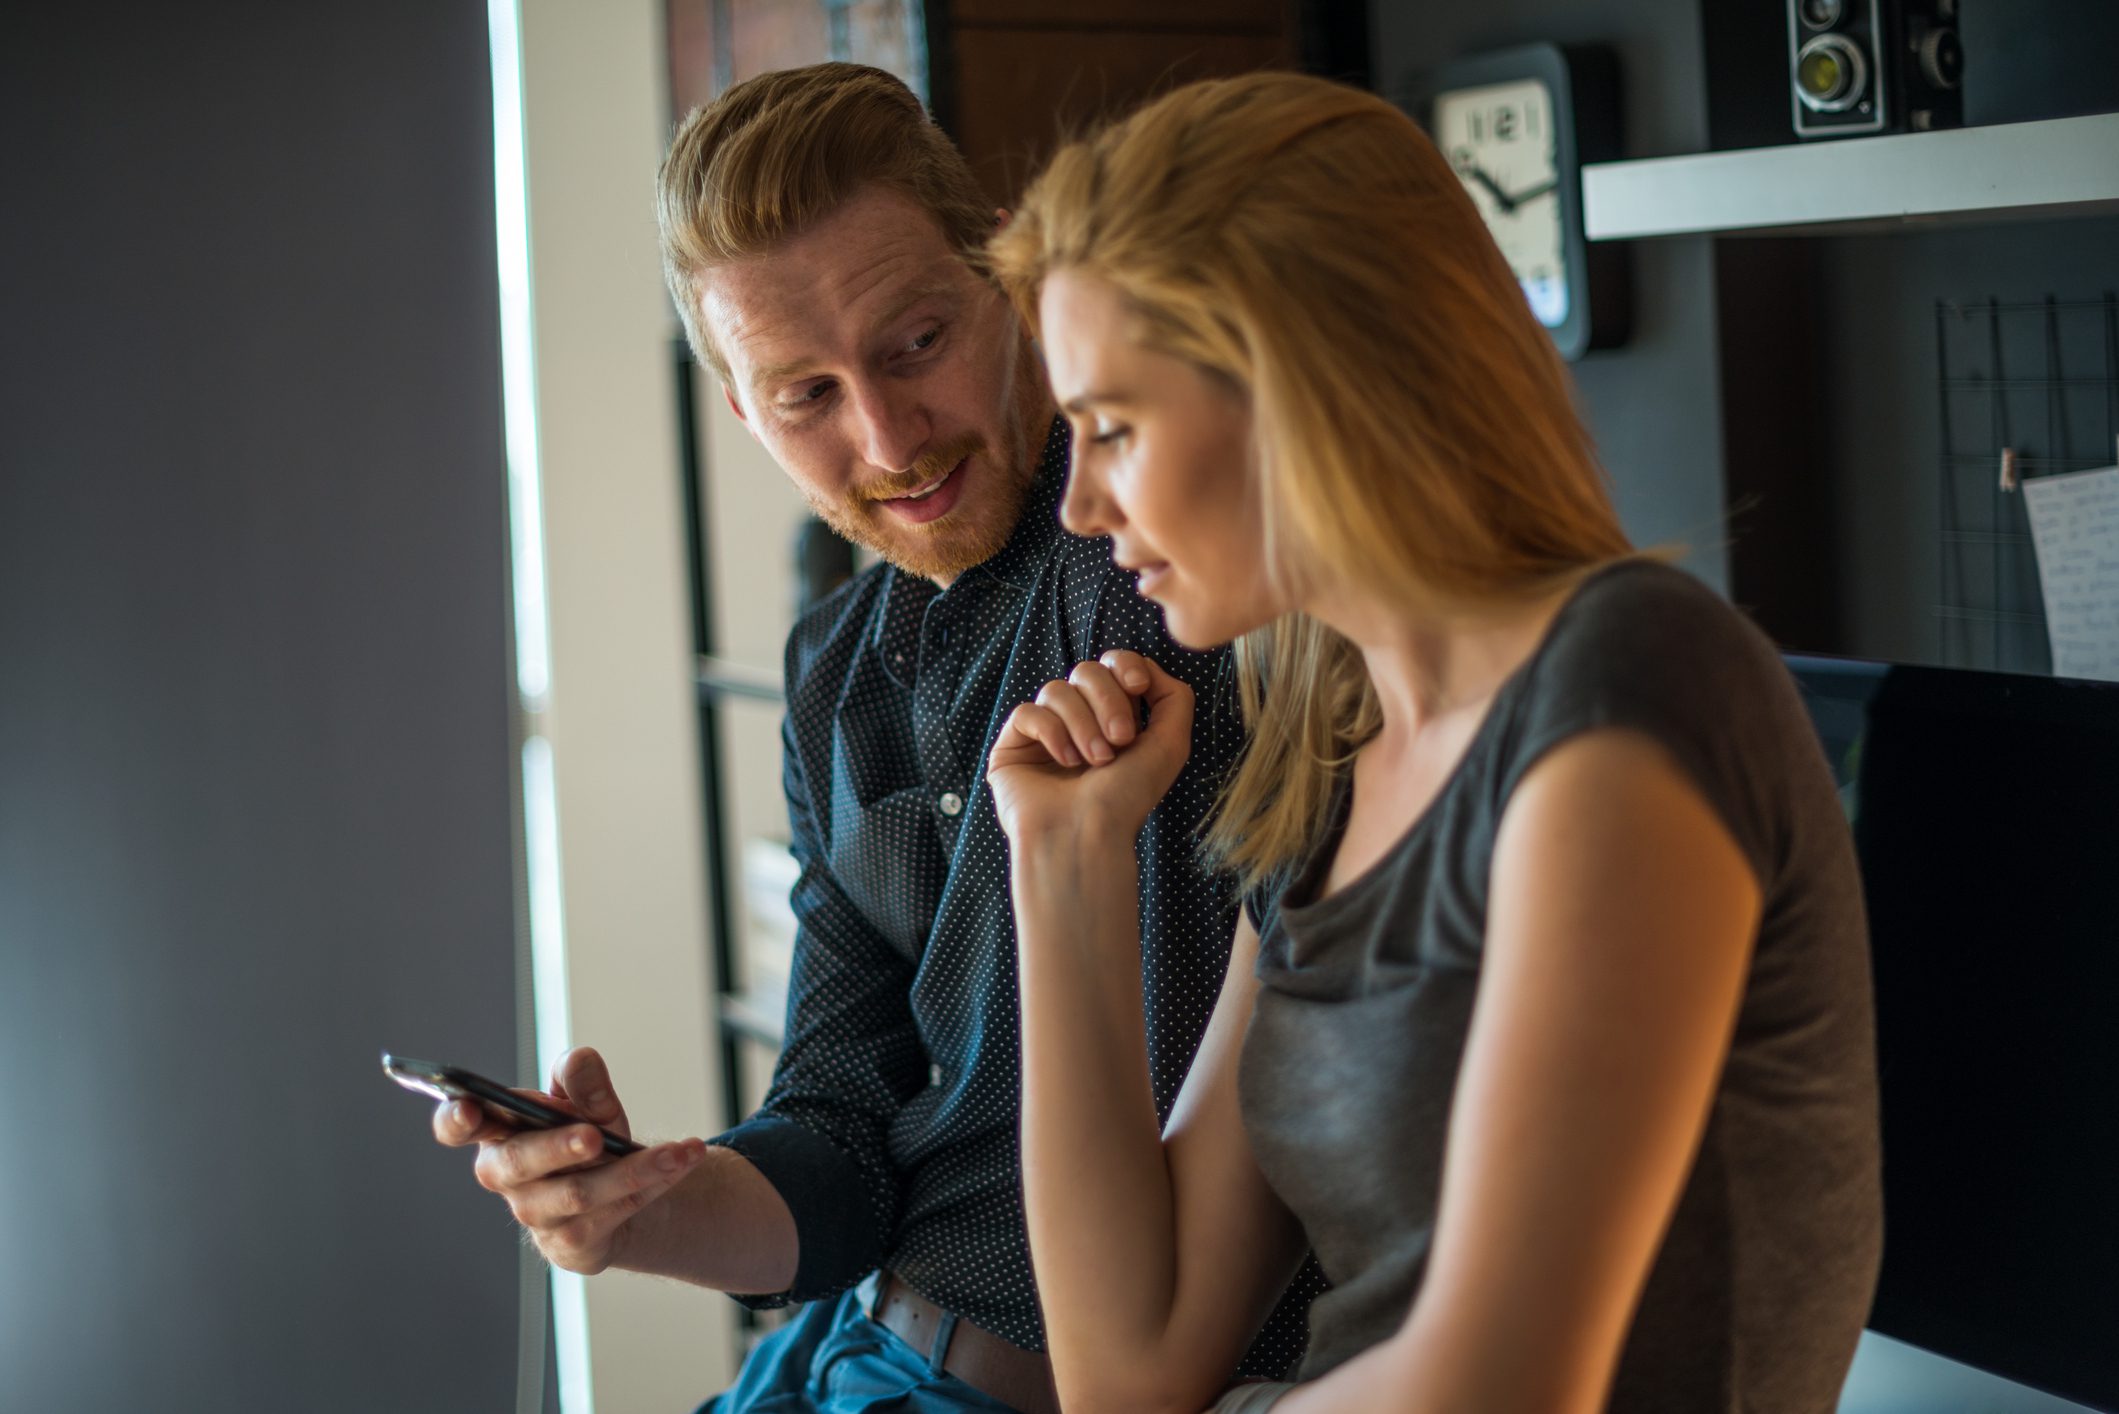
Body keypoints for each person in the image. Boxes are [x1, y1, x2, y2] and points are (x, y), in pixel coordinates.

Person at [983, 71, 1883, 1414]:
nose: (1080, 502)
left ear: (1306, 382)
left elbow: (1506, 1380)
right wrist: (1060, 862)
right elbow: (1128, 1362)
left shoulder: (1632, 678)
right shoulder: (1324, 762)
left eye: (1113, 425)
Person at [429, 63, 1316, 1413]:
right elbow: (840, 1135)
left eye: (915, 343)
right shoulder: (832, 671)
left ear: (1002, 280)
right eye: (806, 397)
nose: (889, 436)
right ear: (741, 409)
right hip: (843, 1348)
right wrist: (633, 1209)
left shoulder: (1147, 543)